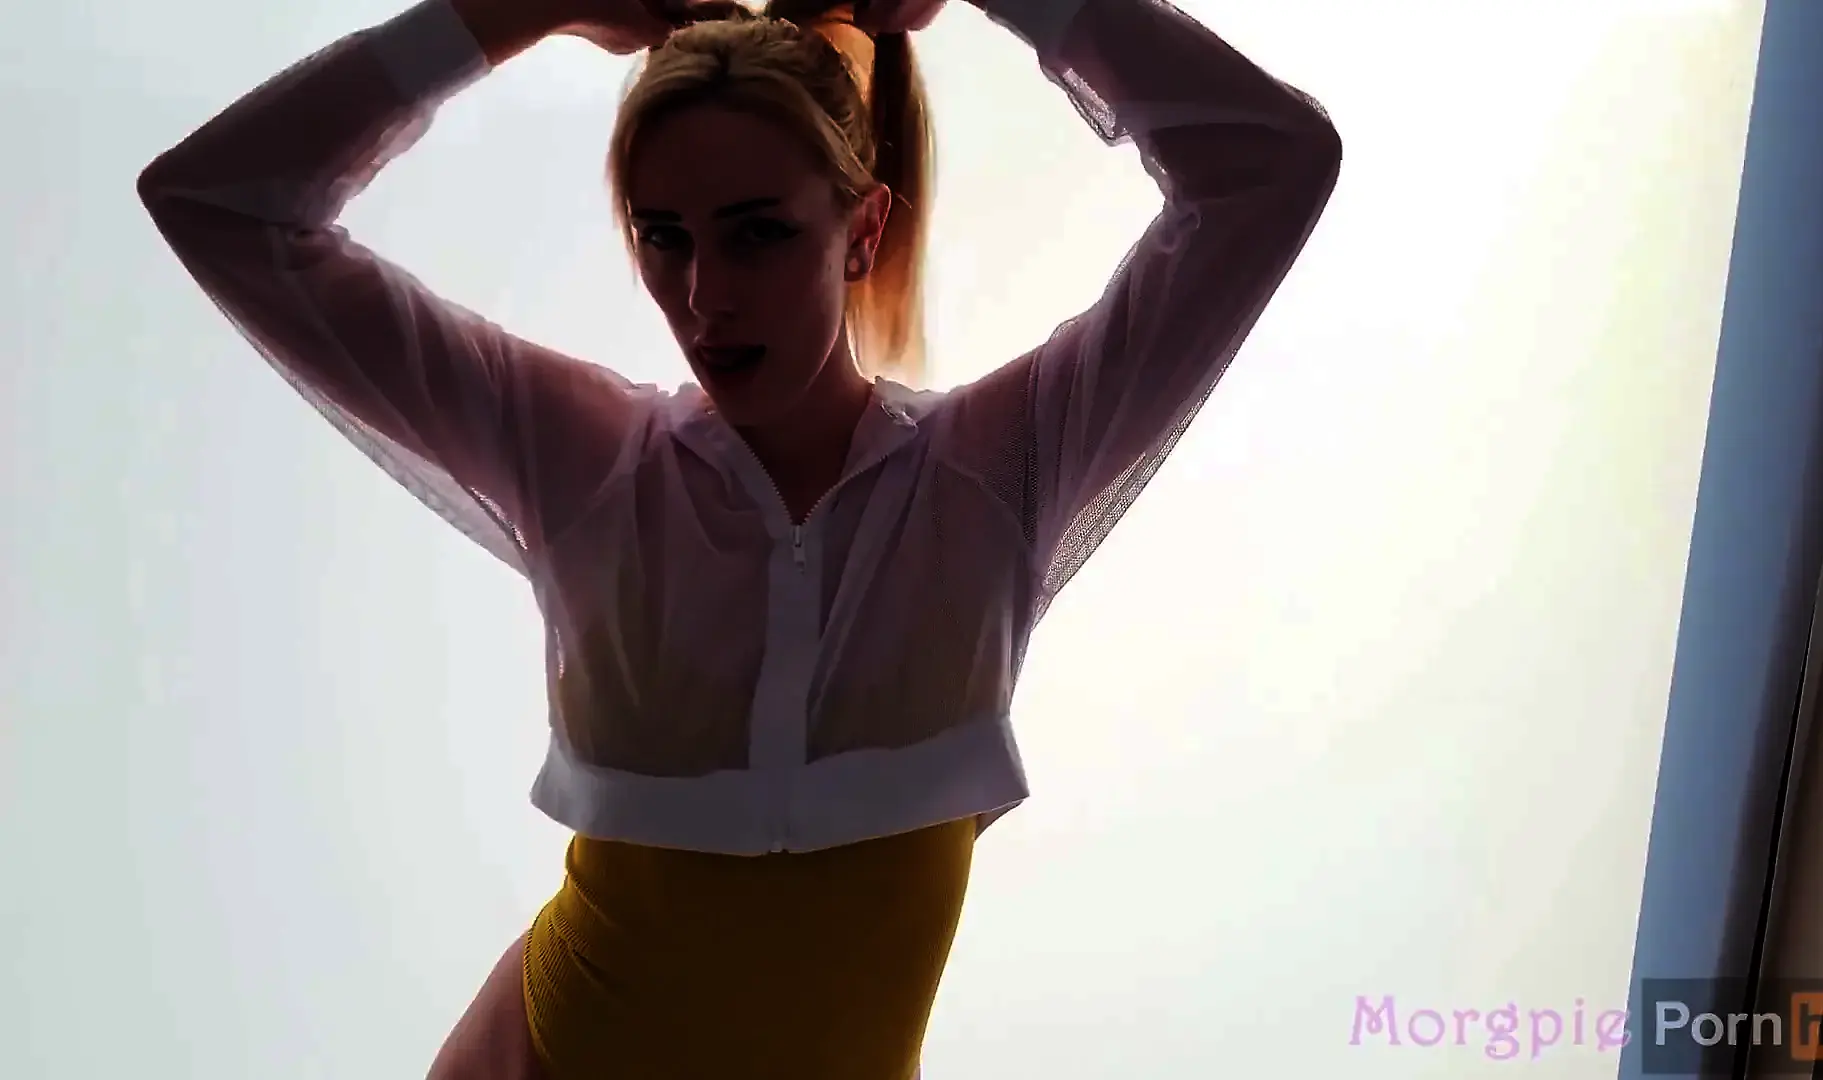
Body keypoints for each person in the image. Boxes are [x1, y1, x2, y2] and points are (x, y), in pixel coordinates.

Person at [137, 0, 1341, 1073]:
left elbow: (1268, 164)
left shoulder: (991, 479)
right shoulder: (588, 463)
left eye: (758, 232)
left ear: (861, 231)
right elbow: (220, 202)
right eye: (665, 235)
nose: (705, 295)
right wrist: (508, 12)